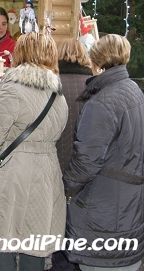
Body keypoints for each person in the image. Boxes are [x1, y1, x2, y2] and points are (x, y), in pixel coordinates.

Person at [0, 32, 68, 271]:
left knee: (3, 239)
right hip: (47, 172)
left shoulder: (14, 87)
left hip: (15, 171)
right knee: (34, 244)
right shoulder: (59, 94)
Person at [63, 34, 144, 271]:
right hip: (127, 202)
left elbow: (86, 163)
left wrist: (65, 187)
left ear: (98, 64)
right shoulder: (133, 91)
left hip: (104, 207)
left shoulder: (102, 102)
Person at [50, 38, 93, 271]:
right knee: (81, 219)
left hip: (56, 161)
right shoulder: (94, 86)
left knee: (59, 220)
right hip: (86, 164)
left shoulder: (53, 85)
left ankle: (61, 263)